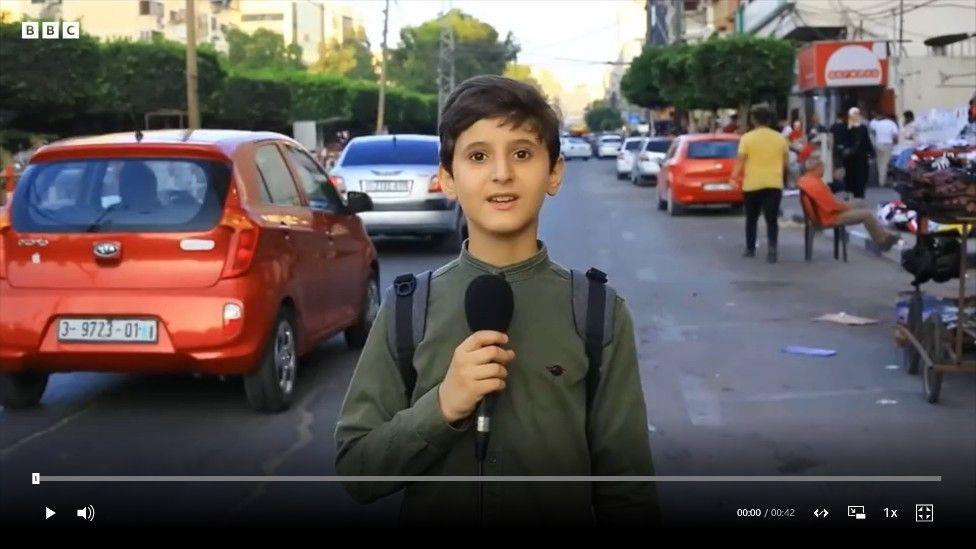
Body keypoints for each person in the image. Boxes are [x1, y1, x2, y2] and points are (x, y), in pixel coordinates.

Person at [334, 75, 658, 526]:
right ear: (448, 178)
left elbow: (628, 487)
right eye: (478, 156)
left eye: (522, 153)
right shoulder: (408, 307)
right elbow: (357, 468)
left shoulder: (597, 311)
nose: (502, 173)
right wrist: (443, 406)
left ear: (555, 172)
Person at [798, 155, 900, 251]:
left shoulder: (806, 180)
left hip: (823, 215)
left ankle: (884, 235)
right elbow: (831, 207)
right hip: (829, 217)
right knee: (866, 214)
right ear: (817, 168)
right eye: (823, 167)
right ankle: (882, 241)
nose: (824, 170)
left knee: (860, 205)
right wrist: (848, 206)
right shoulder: (815, 184)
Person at [732, 104, 789, 263]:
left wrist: (733, 177)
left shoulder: (747, 138)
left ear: (753, 120)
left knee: (751, 218)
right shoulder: (780, 138)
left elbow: (740, 161)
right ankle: (772, 249)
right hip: (773, 183)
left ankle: (750, 248)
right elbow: (785, 163)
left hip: (752, 184)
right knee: (772, 219)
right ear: (770, 120)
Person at [843, 107, 873, 199]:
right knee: (854, 175)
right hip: (855, 157)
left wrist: (870, 151)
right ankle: (854, 192)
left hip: (857, 156)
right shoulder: (850, 127)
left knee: (857, 174)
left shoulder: (856, 127)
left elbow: (866, 141)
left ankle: (856, 192)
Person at [869, 111, 899, 187]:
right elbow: (895, 136)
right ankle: (882, 181)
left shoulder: (877, 124)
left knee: (880, 163)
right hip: (888, 144)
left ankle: (881, 179)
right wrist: (895, 143)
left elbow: (872, 132)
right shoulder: (892, 124)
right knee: (885, 163)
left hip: (878, 144)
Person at [829, 111, 849, 192]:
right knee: (843, 165)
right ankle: (842, 180)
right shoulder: (845, 126)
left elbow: (830, 137)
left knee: (836, 164)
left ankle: (836, 180)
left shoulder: (833, 127)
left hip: (835, 148)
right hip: (843, 148)